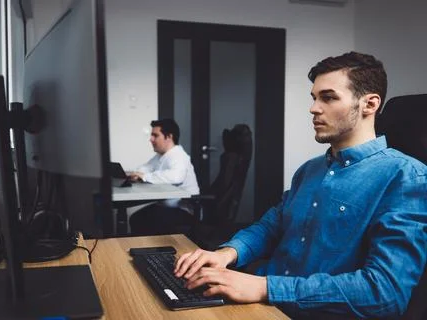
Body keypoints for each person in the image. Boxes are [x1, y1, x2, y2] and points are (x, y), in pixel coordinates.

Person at [174, 52, 427, 319]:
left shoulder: (406, 177)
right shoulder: (310, 170)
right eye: (314, 97)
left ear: (369, 104)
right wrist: (228, 253)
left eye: (328, 97)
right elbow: (272, 226)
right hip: (262, 303)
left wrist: (265, 287)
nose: (314, 108)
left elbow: (384, 294)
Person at [129, 118, 200, 235]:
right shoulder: (161, 156)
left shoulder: (178, 155)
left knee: (141, 221)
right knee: (136, 219)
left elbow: (176, 177)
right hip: (166, 207)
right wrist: (135, 174)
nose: (151, 139)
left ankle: (152, 251)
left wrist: (144, 176)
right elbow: (145, 168)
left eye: (155, 135)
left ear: (169, 137)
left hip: (183, 209)